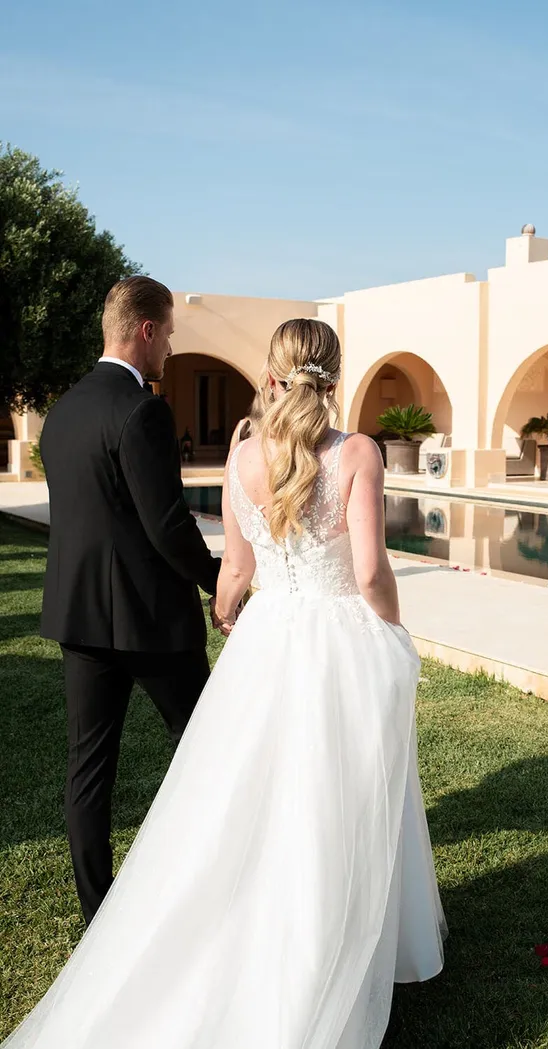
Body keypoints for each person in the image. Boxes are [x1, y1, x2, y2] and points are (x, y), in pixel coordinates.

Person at [4, 318, 445, 1049]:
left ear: (271, 375)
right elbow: (369, 572)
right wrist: (394, 629)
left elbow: (235, 571)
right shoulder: (358, 451)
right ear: (334, 375)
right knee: (336, 797)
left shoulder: (243, 456)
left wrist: (227, 607)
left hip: (268, 640)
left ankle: (244, 926)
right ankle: (326, 950)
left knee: (251, 794)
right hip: (337, 639)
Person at [39, 276, 221, 927]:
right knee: (211, 742)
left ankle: (98, 913)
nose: (170, 347)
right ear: (145, 330)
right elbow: (166, 522)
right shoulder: (142, 408)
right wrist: (218, 580)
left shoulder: (63, 411)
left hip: (78, 616)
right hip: (150, 622)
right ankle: (212, 877)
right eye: (169, 333)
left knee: (88, 770)